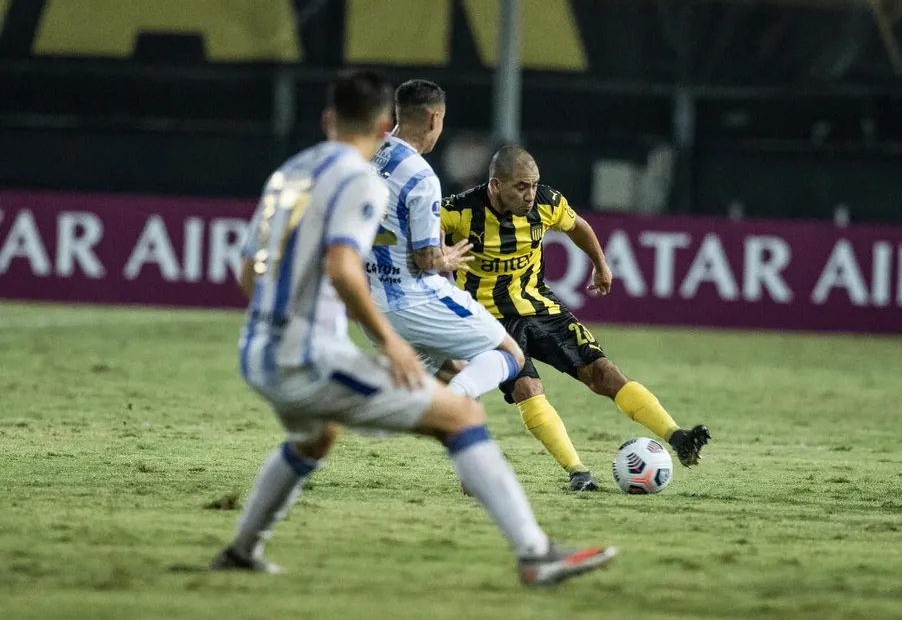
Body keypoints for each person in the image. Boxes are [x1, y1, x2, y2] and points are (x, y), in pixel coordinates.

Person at [210, 71, 616, 586]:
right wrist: (391, 343)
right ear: (385, 121)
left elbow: (249, 271)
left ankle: (243, 550)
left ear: (328, 119)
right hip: (310, 356)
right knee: (462, 417)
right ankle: (535, 554)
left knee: (313, 440)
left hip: (258, 348)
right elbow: (343, 267)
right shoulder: (367, 178)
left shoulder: (290, 171)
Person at [440, 144, 711, 491]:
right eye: (521, 186)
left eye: (534, 185)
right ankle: (578, 471)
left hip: (541, 307)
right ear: (496, 186)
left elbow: (578, 226)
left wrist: (601, 264)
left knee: (603, 372)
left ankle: (677, 436)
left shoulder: (547, 203)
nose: (529, 194)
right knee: (528, 387)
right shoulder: (460, 210)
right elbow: (423, 229)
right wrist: (438, 252)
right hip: (489, 322)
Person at [365, 79, 526, 404]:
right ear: (433, 118)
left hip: (369, 300)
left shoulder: (369, 154)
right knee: (509, 354)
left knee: (458, 372)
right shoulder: (421, 177)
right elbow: (426, 260)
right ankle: (445, 409)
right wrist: (445, 259)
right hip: (412, 300)